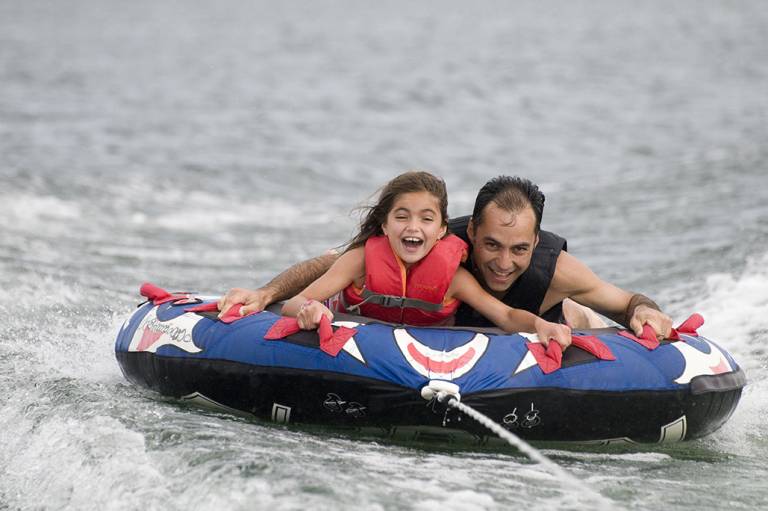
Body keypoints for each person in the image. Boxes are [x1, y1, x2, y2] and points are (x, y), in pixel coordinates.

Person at [218, 175, 672, 339]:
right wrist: (267, 293)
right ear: (470, 230)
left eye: (518, 249)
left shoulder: (555, 267)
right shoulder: (435, 243)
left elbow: (625, 300)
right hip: (457, 331)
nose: (502, 261)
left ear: (535, 243)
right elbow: (333, 263)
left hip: (539, 318)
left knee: (577, 316)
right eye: (491, 244)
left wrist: (646, 312)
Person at [278, 171, 572, 348]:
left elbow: (505, 315)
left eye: (426, 218)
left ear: (442, 229)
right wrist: (309, 309)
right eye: (401, 217)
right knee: (331, 259)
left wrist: (540, 325)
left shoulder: (454, 278)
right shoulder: (360, 262)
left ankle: (574, 313)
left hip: (428, 356)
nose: (413, 227)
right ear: (385, 225)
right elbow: (295, 301)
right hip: (355, 335)